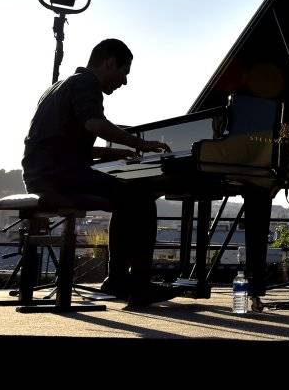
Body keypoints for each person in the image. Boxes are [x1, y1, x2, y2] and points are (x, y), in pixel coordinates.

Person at [21, 38, 176, 306]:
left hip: (43, 173)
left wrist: (116, 154)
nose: (124, 82)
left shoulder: (58, 87)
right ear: (110, 63)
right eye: (124, 72)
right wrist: (140, 143)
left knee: (126, 198)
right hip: (58, 177)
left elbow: (64, 144)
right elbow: (94, 123)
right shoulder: (87, 83)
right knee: (142, 195)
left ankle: (118, 279)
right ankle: (136, 284)